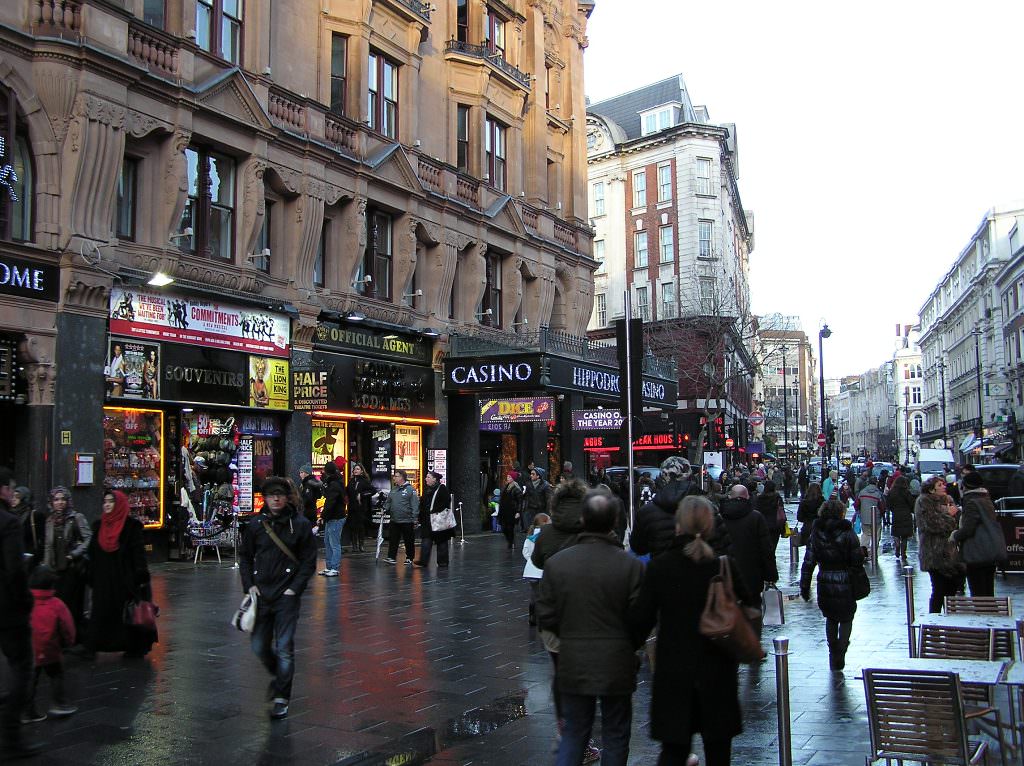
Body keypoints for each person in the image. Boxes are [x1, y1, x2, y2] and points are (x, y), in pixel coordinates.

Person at [629, 496, 754, 766]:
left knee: (674, 750)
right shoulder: (723, 566)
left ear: (678, 525)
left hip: (675, 670)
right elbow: (751, 602)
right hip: (718, 668)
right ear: (710, 525)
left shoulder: (661, 567)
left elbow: (641, 619)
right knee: (719, 749)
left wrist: (627, 650)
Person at [536, 489, 644, 766]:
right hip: (617, 660)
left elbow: (545, 614)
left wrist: (569, 635)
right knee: (616, 734)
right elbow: (641, 618)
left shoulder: (559, 564)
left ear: (583, 518)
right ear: (614, 521)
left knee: (574, 733)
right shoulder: (630, 566)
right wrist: (628, 643)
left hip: (574, 659)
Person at [239, 476, 317, 719]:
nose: (275, 499)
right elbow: (245, 557)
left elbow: (308, 560)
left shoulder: (300, 525)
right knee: (259, 645)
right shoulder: (256, 525)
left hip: (286, 596)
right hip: (262, 593)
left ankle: (282, 696)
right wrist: (249, 585)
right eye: (271, 495)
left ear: (286, 497)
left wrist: (295, 588)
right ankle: (279, 675)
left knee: (284, 648)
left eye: (279, 495)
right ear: (265, 498)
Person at [85, 490, 156, 657]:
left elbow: (138, 554)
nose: (107, 505)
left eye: (111, 502)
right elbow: (93, 552)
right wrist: (90, 573)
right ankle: (94, 644)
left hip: (124, 580)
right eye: (105, 502)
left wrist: (140, 575)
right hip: (103, 580)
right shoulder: (99, 526)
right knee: (101, 612)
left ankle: (131, 646)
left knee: (125, 614)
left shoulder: (131, 527)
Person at [800, 498, 865, 671]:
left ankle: (832, 650)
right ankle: (841, 651)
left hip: (825, 580)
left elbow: (808, 562)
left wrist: (804, 586)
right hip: (845, 580)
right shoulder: (847, 532)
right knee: (846, 617)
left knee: (831, 617)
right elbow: (857, 559)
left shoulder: (816, 532)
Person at [0, 467, 38, 758]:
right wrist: (25, 600)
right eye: (10, 488)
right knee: (22, 668)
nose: (12, 494)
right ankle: (11, 737)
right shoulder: (9, 523)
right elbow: (14, 570)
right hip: (8, 608)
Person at [718, 485, 777, 636]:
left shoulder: (720, 517)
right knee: (752, 608)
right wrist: (770, 575)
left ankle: (733, 638)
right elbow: (766, 550)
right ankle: (752, 641)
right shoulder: (755, 517)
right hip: (752, 573)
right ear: (748, 497)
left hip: (727, 573)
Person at [22, 565, 77, 723]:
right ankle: (59, 704)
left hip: (30, 649)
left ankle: (28, 711)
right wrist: (69, 642)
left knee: (31, 679)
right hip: (50, 649)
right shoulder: (57, 604)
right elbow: (68, 627)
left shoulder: (26, 601)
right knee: (56, 674)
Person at [43, 487, 91, 639]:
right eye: (56, 499)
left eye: (63, 499)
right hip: (55, 569)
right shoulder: (50, 520)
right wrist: (46, 567)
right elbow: (47, 545)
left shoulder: (76, 518)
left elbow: (89, 539)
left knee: (72, 604)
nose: (60, 503)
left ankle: (75, 637)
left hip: (72, 569)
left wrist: (74, 555)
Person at [952, 471, 1008, 597]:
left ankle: (983, 614)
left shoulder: (971, 501)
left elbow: (968, 528)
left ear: (966, 486)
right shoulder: (985, 498)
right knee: (988, 589)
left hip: (976, 551)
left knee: (978, 591)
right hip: (989, 550)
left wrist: (955, 535)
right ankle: (990, 613)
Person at [631, 456, 699, 559]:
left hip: (660, 569)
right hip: (699, 570)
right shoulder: (706, 508)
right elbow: (721, 547)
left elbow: (638, 547)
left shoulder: (647, 512)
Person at [915, 476, 965, 613]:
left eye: (943, 484)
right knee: (938, 589)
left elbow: (957, 523)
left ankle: (952, 620)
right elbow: (931, 524)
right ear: (931, 489)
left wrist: (951, 516)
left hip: (949, 552)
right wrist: (948, 515)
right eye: (940, 485)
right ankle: (934, 622)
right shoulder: (924, 502)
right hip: (933, 552)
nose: (944, 486)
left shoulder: (948, 500)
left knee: (952, 590)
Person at [415, 470, 454, 568]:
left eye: (428, 477)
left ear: (434, 479)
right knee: (426, 540)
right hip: (427, 520)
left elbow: (446, 502)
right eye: (426, 477)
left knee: (441, 541)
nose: (426, 479)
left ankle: (442, 562)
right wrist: (420, 517)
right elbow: (423, 505)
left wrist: (434, 511)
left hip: (438, 520)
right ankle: (423, 560)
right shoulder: (427, 489)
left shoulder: (442, 489)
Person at [384, 469, 419, 564]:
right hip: (394, 519)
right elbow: (388, 502)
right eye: (394, 476)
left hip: (407, 520)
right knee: (393, 539)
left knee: (408, 540)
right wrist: (384, 509)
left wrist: (415, 518)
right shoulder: (394, 490)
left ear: (402, 478)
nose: (394, 478)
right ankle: (391, 557)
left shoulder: (410, 489)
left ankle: (409, 557)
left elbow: (415, 505)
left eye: (396, 476)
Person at [522, 512, 551, 626]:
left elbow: (525, 552)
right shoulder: (547, 536)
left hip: (530, 570)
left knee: (534, 594)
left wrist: (531, 560)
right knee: (543, 595)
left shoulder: (530, 536)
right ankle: (541, 616)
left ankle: (532, 616)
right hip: (542, 570)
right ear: (544, 522)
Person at [318, 462, 346, 577]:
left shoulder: (334, 485)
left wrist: (323, 516)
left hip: (335, 517)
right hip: (333, 517)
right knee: (328, 542)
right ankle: (329, 566)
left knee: (334, 543)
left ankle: (334, 567)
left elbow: (330, 502)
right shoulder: (335, 482)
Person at [12, 487, 45, 569]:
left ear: (25, 498)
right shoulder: (10, 516)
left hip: (30, 560)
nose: (13, 499)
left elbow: (43, 540)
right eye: (13, 496)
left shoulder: (35, 516)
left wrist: (35, 557)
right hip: (13, 559)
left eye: (17, 497)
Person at [887, 475, 916, 561]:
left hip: (896, 514)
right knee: (904, 536)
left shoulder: (892, 492)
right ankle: (903, 553)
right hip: (906, 514)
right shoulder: (906, 492)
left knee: (896, 533)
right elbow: (911, 503)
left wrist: (893, 509)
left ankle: (897, 546)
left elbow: (888, 504)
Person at [346, 462, 372, 553]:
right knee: (352, 526)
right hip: (352, 507)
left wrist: (362, 495)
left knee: (360, 526)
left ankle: (361, 545)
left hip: (361, 507)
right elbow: (347, 492)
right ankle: (354, 545)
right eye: (354, 469)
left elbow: (372, 491)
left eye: (357, 469)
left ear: (361, 471)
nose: (355, 471)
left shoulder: (364, 481)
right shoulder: (351, 481)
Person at [854, 477, 885, 556]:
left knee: (866, 534)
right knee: (876, 535)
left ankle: (863, 552)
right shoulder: (878, 493)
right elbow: (882, 507)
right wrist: (881, 514)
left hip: (864, 517)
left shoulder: (862, 492)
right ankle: (873, 553)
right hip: (876, 518)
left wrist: (859, 512)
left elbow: (856, 504)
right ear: (876, 483)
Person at [753, 479, 785, 553]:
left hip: (763, 524)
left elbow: (756, 510)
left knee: (763, 546)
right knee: (773, 546)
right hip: (775, 525)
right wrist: (783, 527)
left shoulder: (759, 498)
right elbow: (781, 511)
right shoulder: (777, 497)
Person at [497, 470, 523, 551]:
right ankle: (510, 541)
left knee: (510, 528)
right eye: (507, 476)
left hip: (512, 511)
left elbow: (520, 501)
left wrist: (518, 512)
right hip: (504, 511)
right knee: (504, 528)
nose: (507, 478)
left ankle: (511, 542)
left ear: (513, 478)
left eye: (509, 477)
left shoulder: (516, 488)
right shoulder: (506, 487)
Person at [522, 467, 553, 532]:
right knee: (531, 530)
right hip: (530, 511)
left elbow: (549, 499)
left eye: (533, 474)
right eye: (531, 474)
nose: (531, 475)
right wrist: (525, 509)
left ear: (538, 476)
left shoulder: (545, 485)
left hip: (541, 511)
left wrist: (548, 512)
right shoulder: (529, 484)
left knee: (540, 530)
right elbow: (527, 497)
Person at [297, 464, 322, 529]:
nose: (300, 474)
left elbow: (307, 497)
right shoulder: (312, 482)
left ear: (307, 473)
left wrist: (300, 505)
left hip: (307, 511)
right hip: (312, 510)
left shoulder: (308, 483)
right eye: (300, 472)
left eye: (302, 472)